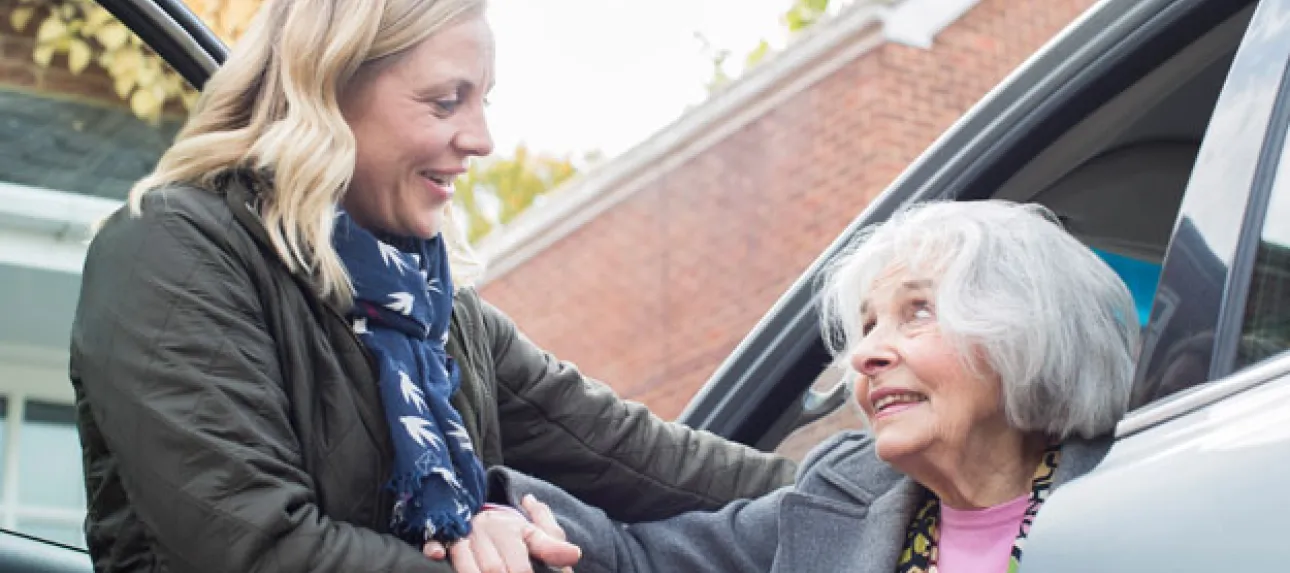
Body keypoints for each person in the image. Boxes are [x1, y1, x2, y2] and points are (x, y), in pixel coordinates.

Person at [68, 1, 795, 572]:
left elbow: (623, 450)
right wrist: (499, 556)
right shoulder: (172, 253)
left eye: (483, 100)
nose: (481, 138)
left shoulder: (427, 305)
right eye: (447, 102)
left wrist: (865, 488)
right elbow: (255, 550)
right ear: (329, 91)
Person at [467, 200, 1140, 573]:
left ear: (1026, 332)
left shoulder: (1138, 486)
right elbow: (647, 560)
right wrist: (504, 518)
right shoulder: (844, 494)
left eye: (918, 311)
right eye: (868, 324)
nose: (868, 353)